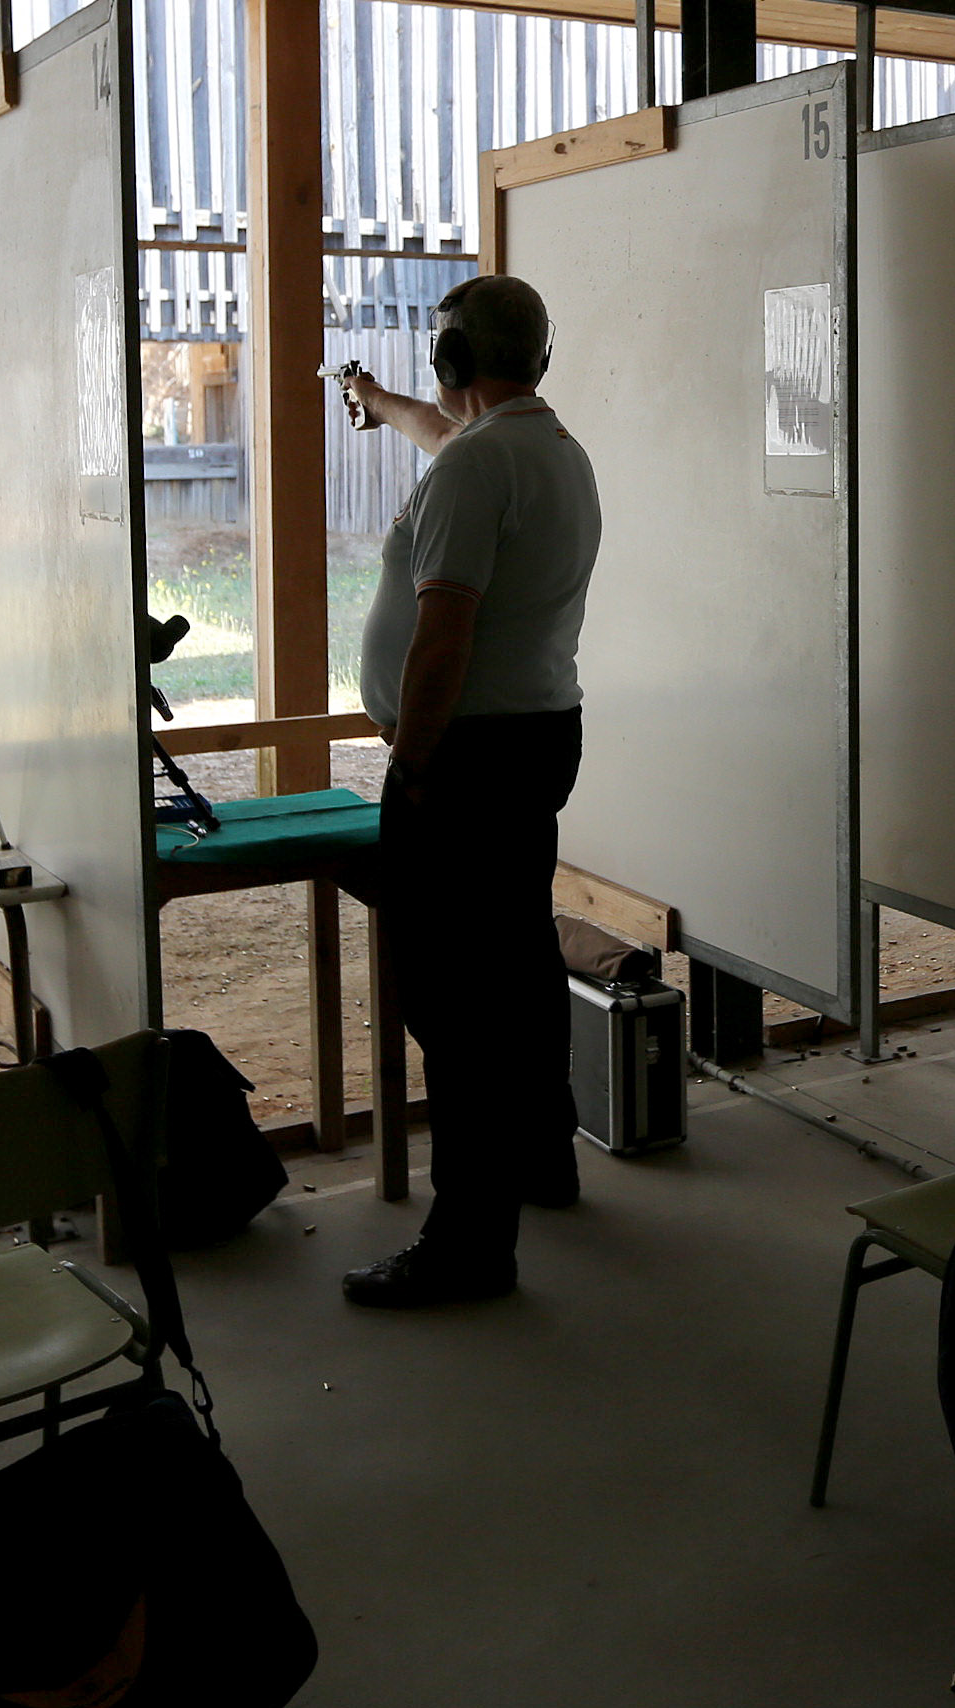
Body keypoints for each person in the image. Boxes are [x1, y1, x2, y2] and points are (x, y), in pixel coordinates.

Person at [335, 276, 601, 1307]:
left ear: (452, 364)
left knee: (455, 1003)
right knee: (518, 964)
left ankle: (467, 1244)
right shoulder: (550, 452)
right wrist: (377, 399)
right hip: (535, 741)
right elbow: (437, 433)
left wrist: (411, 766)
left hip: (465, 756)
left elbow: (442, 638)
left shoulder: (474, 467)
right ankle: (543, 1160)